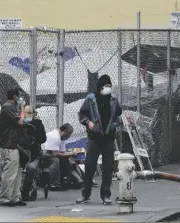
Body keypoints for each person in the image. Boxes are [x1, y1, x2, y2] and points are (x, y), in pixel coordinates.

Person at [76, 74, 122, 205]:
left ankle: (106, 195)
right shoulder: (91, 99)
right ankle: (85, 194)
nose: (108, 88)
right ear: (100, 87)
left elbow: (118, 115)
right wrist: (88, 122)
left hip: (108, 138)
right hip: (94, 138)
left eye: (110, 86)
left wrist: (114, 125)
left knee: (108, 169)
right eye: (106, 86)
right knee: (90, 167)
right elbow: (82, 114)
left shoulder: (114, 99)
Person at [0, 87, 27, 207]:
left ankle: (15, 197)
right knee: (10, 172)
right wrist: (22, 108)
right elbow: (20, 121)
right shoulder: (7, 107)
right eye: (19, 96)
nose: (20, 98)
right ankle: (5, 198)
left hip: (15, 144)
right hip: (8, 144)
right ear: (15, 96)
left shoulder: (12, 107)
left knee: (17, 172)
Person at [21, 106, 47, 201]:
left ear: (33, 114)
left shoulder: (38, 124)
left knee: (31, 168)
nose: (26, 115)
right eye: (25, 113)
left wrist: (34, 138)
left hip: (33, 154)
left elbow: (43, 139)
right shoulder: (20, 123)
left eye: (28, 113)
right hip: (21, 152)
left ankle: (25, 192)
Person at [43, 123, 76, 191]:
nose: (68, 137)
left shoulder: (59, 136)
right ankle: (54, 184)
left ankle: (68, 180)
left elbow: (62, 151)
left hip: (49, 153)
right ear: (65, 131)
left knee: (66, 158)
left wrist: (70, 154)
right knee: (55, 160)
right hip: (44, 155)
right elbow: (55, 154)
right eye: (68, 134)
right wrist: (70, 154)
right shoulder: (56, 137)